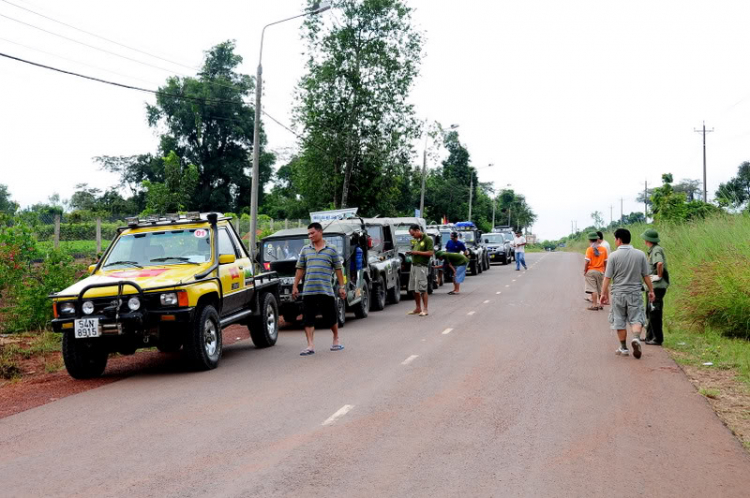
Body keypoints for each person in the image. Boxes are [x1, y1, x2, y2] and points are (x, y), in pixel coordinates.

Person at [292, 222, 348, 356]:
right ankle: (310, 345)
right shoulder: (305, 250)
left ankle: (336, 338)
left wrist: (342, 287)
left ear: (320, 232)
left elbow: (338, 269)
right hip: (308, 290)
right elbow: (300, 269)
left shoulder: (331, 249)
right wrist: (295, 286)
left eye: (312, 233)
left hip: (326, 290)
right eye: (308, 234)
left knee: (331, 317)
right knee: (308, 318)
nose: (310, 236)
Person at [600, 228, 656, 359]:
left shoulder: (613, 256)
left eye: (615, 239)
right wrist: (651, 290)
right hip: (635, 293)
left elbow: (607, 277)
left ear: (619, 240)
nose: (615, 241)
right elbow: (646, 275)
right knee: (636, 318)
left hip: (619, 294)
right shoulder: (640, 254)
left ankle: (624, 348)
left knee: (619, 320)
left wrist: (603, 294)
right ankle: (636, 338)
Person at [642, 229, 669, 345]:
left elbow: (659, 263)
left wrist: (659, 275)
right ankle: (649, 336)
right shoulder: (652, 250)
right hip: (653, 287)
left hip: (657, 287)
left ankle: (658, 338)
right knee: (650, 311)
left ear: (648, 240)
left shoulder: (656, 250)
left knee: (655, 312)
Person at [406, 224, 434, 317]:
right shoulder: (417, 240)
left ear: (418, 230)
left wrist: (416, 252)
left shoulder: (428, 239)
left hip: (421, 266)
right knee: (414, 288)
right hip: (414, 266)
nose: (412, 236)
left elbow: (430, 253)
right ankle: (418, 308)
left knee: (422, 288)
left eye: (413, 234)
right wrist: (411, 253)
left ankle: (425, 309)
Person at [583, 232, 608, 311]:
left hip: (591, 271)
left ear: (590, 240)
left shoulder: (589, 249)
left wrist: (585, 270)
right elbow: (605, 262)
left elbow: (587, 262)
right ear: (597, 239)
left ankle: (594, 305)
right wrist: (604, 270)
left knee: (593, 289)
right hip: (600, 271)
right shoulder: (604, 249)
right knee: (600, 288)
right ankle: (601, 305)